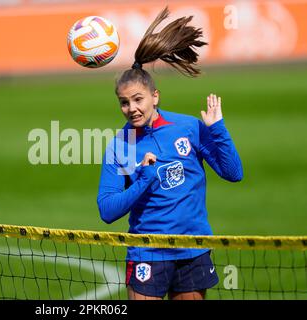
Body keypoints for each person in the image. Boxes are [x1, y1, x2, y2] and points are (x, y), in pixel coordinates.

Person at [97, 7, 243, 300]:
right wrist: (143, 178)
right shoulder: (119, 144)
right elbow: (107, 211)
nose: (132, 109)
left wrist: (218, 130)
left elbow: (233, 173)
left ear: (155, 96)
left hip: (192, 250)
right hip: (147, 253)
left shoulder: (189, 127)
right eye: (124, 103)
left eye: (138, 99)